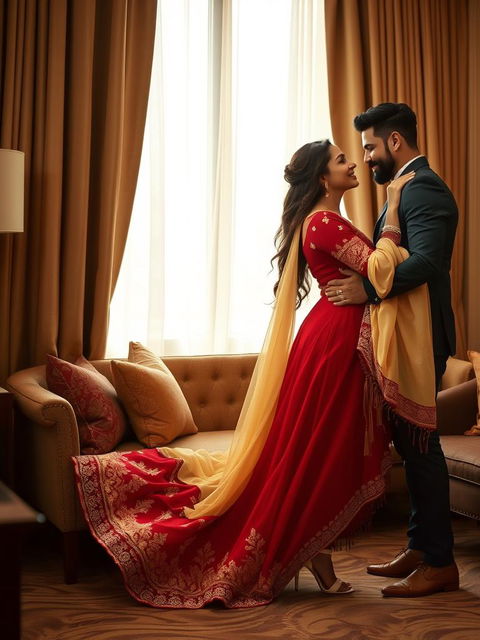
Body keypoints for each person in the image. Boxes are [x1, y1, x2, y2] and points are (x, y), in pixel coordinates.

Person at [72, 139, 431, 609]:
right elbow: (381, 269)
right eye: (342, 159)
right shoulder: (323, 221)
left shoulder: (326, 219)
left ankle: (316, 552)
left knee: (318, 450)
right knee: (317, 450)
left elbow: (373, 277)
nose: (352, 163)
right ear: (324, 178)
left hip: (339, 337)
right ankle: (310, 551)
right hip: (335, 344)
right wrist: (396, 212)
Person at [325, 102, 460, 597]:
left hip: (422, 337)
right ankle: (421, 548)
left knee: (422, 446)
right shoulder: (404, 187)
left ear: (395, 143)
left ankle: (441, 562)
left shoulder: (423, 188)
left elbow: (426, 261)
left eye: (370, 147)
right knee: (410, 444)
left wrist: (368, 289)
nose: (366, 158)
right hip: (406, 336)